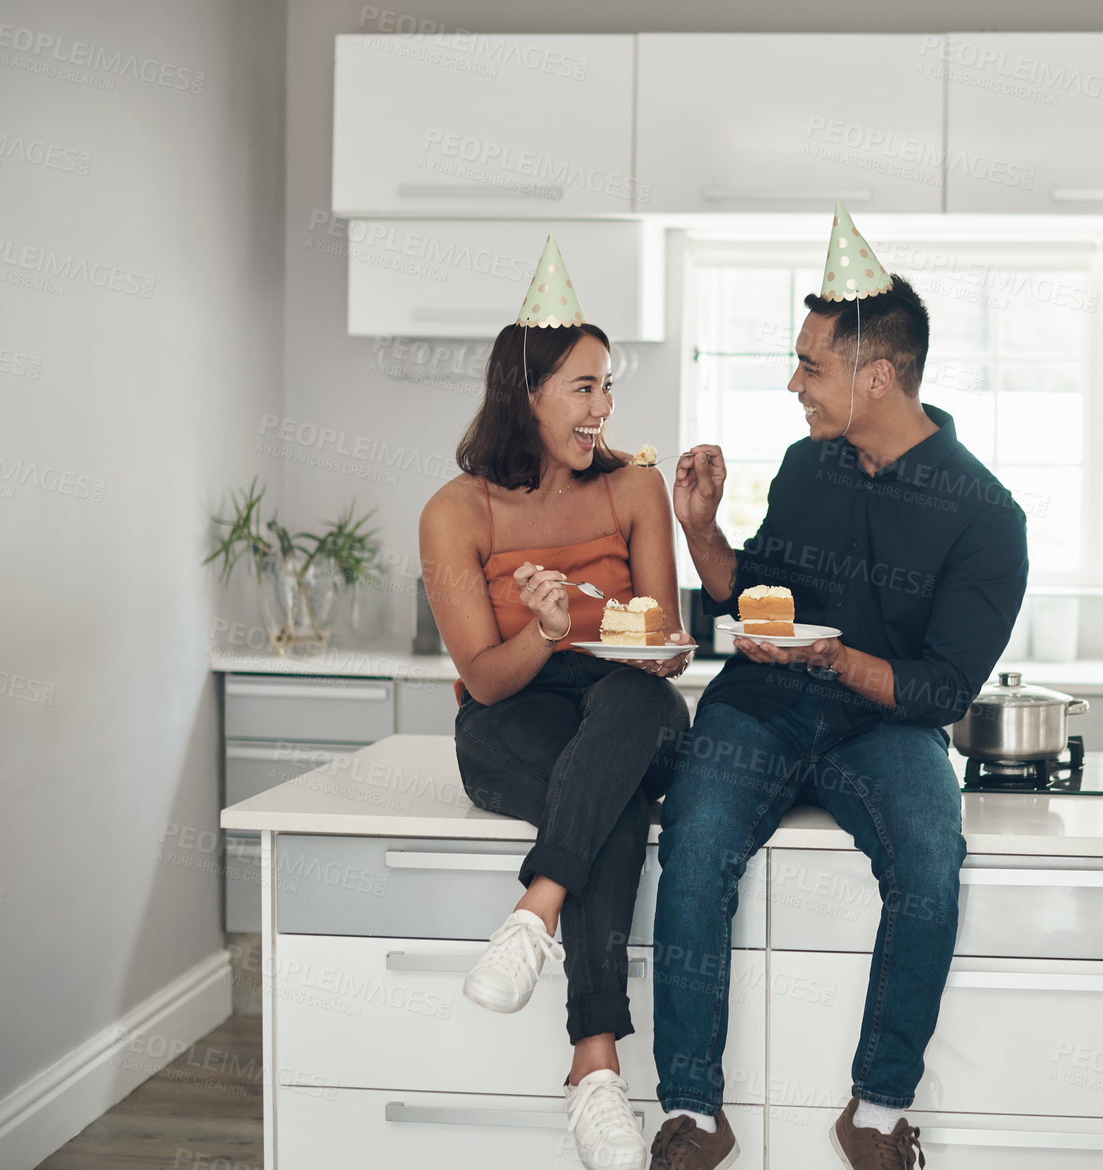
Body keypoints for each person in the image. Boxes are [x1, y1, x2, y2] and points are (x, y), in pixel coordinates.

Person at [647, 206, 1029, 1170]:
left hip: (885, 728)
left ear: (879, 375)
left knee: (930, 865)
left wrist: (836, 661)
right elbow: (753, 596)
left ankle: (880, 1105)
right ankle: (693, 1110)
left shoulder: (987, 515)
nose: (793, 382)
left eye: (810, 365)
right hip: (761, 708)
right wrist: (700, 533)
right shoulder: (806, 464)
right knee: (692, 848)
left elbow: (942, 690)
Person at [419, 236, 693, 1170]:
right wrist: (541, 630)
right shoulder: (457, 511)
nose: (604, 407)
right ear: (525, 394)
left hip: (628, 698)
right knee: (608, 801)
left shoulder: (635, 485)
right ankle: (595, 1067)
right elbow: (486, 682)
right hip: (514, 713)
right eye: (584, 387)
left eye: (607, 386)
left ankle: (534, 913)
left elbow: (660, 648)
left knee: (624, 713)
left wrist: (648, 636)